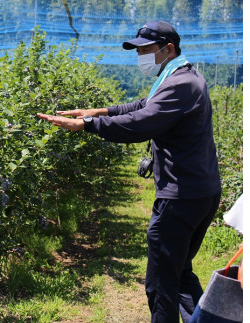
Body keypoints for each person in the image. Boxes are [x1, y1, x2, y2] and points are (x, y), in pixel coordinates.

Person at [37, 20, 221, 323]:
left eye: (146, 50)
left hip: (182, 197)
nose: (141, 57)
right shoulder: (180, 76)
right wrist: (98, 112)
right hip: (199, 191)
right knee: (180, 271)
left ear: (168, 49)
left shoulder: (181, 83)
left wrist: (87, 125)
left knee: (161, 281)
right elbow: (143, 105)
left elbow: (142, 122)